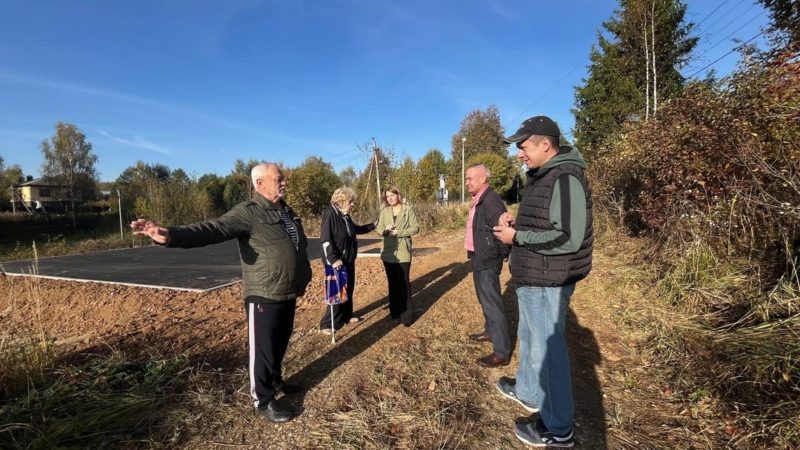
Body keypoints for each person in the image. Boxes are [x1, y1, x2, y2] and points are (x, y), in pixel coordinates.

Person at [130, 162, 312, 424]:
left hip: (287, 289)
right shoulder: (249, 212)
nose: (283, 182)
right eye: (278, 178)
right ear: (259, 184)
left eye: (282, 178)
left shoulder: (285, 210)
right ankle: (263, 399)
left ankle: (275, 381)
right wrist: (170, 235)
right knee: (263, 349)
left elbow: (297, 245)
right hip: (263, 291)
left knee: (280, 341)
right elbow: (213, 229)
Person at [493, 116, 593, 448]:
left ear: (545, 144)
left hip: (549, 278)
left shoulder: (565, 177)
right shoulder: (545, 176)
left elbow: (568, 237)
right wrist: (516, 222)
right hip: (535, 275)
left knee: (550, 353)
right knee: (530, 336)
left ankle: (558, 428)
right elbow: (544, 221)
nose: (519, 153)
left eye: (523, 146)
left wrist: (517, 235)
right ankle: (528, 392)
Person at [464, 164, 512, 368]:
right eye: (466, 179)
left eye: (470, 179)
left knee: (492, 304)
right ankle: (490, 331)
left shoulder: (491, 200)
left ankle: (502, 352)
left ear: (483, 179)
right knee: (484, 299)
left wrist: (500, 253)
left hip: (487, 258)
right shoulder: (480, 199)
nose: (467, 183)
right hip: (478, 256)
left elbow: (500, 220)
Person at [318, 187, 376, 333]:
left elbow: (355, 229)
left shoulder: (345, 215)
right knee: (336, 292)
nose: (352, 205)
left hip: (348, 259)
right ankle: (328, 324)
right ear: (342, 200)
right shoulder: (330, 214)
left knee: (348, 289)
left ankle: (346, 316)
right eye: (350, 202)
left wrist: (373, 225)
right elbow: (326, 239)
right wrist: (333, 259)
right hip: (336, 261)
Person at [376, 187, 419, 326]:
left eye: (392, 195)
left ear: (398, 195)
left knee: (404, 284)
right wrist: (385, 231)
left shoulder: (408, 209)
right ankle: (394, 313)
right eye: (388, 196)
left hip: (403, 251)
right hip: (388, 252)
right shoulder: (385, 211)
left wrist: (399, 232)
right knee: (392, 284)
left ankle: (406, 317)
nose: (390, 198)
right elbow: (379, 228)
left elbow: (415, 228)